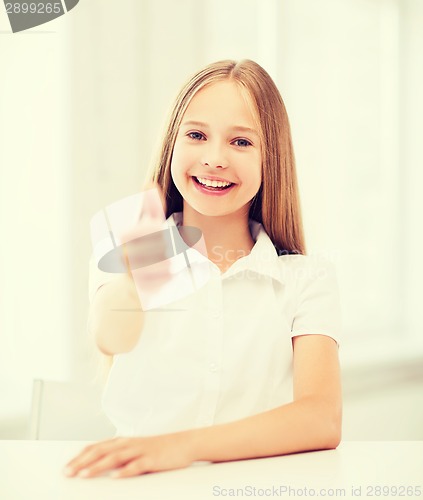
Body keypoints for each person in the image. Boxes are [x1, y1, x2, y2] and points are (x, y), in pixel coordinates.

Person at [64, 59, 342, 479]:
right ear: (171, 145)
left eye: (242, 142)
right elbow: (111, 336)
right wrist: (140, 254)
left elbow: (321, 418)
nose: (214, 159)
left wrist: (181, 447)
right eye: (196, 135)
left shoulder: (305, 278)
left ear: (273, 159)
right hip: (144, 486)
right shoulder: (131, 246)